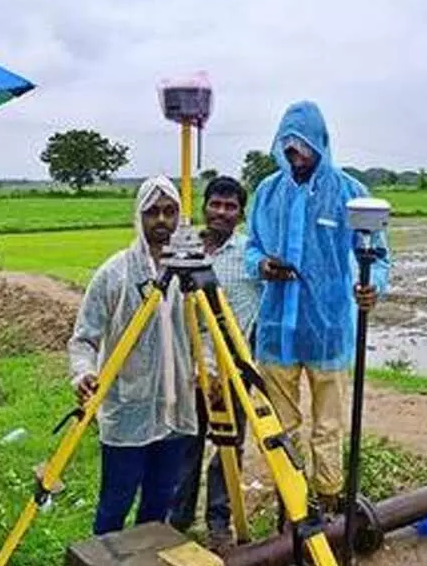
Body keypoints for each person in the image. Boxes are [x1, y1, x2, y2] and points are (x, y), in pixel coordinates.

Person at [244, 101, 391, 520]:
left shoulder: (351, 193)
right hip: (276, 330)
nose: (296, 157)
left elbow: (377, 256)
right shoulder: (267, 192)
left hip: (328, 330)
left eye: (303, 148)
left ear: (321, 145)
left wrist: (371, 286)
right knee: (280, 428)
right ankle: (290, 504)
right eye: (288, 149)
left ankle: (327, 505)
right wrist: (263, 265)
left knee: (327, 427)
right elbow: (252, 244)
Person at [69, 175, 198, 535]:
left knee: (159, 502)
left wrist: (211, 370)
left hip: (176, 408)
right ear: (138, 217)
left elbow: (204, 330)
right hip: (128, 410)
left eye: (170, 212)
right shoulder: (115, 274)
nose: (162, 220)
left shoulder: (191, 275)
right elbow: (84, 338)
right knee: (116, 501)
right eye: (152, 212)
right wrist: (83, 374)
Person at [168, 176, 262, 553]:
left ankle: (219, 522)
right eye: (216, 204)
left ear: (240, 214)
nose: (222, 212)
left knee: (227, 444)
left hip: (233, 368)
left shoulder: (249, 254)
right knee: (187, 442)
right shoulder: (186, 252)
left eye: (231, 207)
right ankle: (178, 517)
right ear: (205, 207)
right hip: (191, 365)